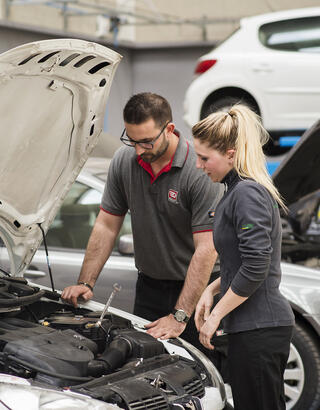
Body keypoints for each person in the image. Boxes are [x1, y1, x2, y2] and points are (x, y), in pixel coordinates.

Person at [62, 92, 223, 350]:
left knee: (197, 374)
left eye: (146, 142)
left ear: (169, 129)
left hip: (200, 289)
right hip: (149, 287)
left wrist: (181, 315)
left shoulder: (199, 169)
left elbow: (207, 248)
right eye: (131, 140)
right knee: (144, 365)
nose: (138, 150)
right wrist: (85, 282)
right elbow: (106, 225)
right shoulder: (123, 161)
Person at [192, 104, 295, 410]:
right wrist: (211, 290)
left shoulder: (247, 193)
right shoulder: (234, 191)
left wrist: (215, 317)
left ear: (231, 154)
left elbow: (256, 266)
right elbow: (242, 262)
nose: (199, 165)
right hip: (252, 328)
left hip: (260, 329)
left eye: (204, 158)